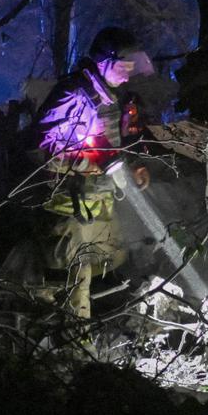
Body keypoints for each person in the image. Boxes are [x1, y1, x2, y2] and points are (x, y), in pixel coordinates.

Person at [27, 27, 154, 320]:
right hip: (66, 204)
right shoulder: (73, 94)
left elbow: (101, 142)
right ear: (102, 61)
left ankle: (86, 328)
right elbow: (44, 150)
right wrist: (92, 164)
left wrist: (129, 167)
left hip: (91, 203)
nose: (126, 76)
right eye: (123, 68)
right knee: (73, 276)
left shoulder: (103, 97)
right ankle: (71, 342)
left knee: (110, 262)